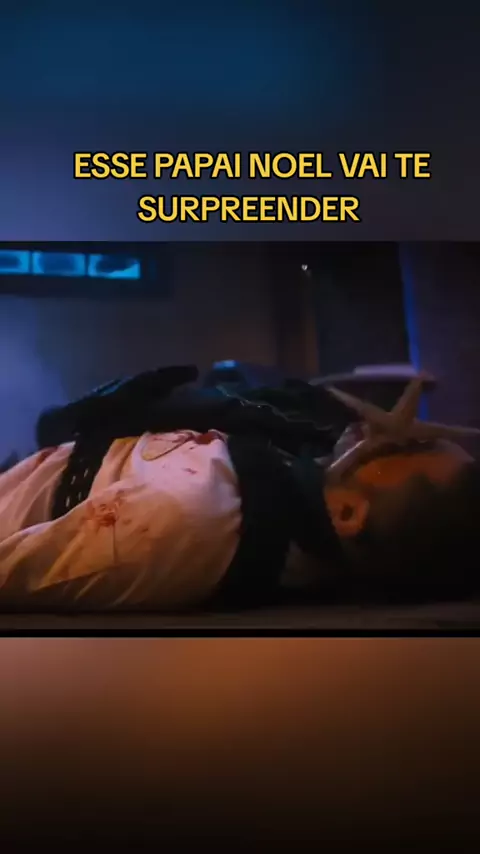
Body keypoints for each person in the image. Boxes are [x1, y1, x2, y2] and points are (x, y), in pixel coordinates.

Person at [0, 365, 479, 611]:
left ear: (349, 513)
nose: (380, 433)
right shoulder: (269, 477)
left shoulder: (183, 517)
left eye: (398, 451)